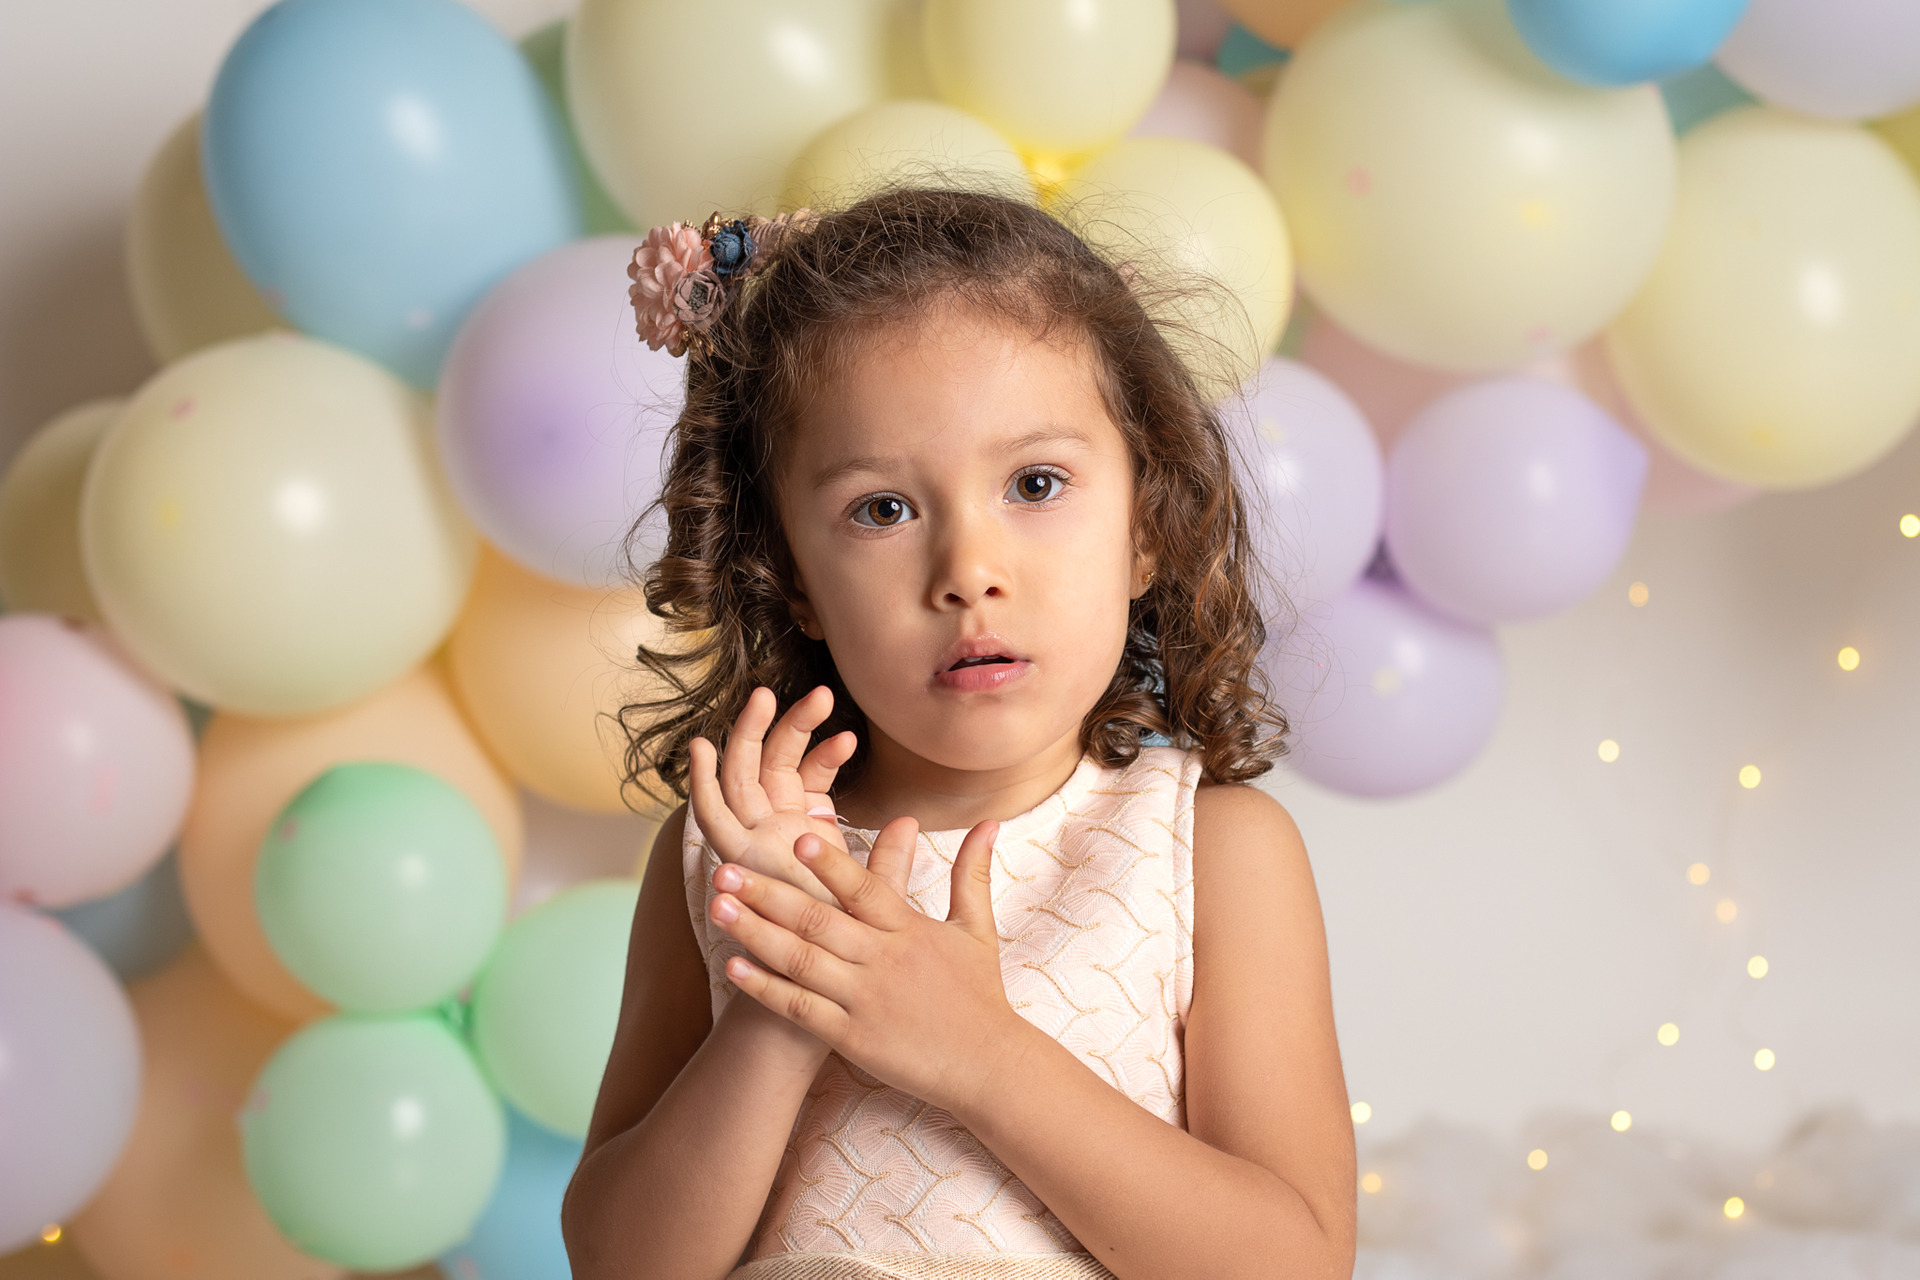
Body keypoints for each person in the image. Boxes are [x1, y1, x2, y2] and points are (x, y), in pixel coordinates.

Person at [561, 187, 1356, 1280]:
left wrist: (982, 1055)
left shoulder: (1211, 851)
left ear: (1145, 528)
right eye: (883, 509)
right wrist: (782, 1008)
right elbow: (618, 1263)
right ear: (790, 577)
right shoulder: (729, 857)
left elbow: (1292, 1263)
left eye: (1036, 483)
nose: (969, 571)